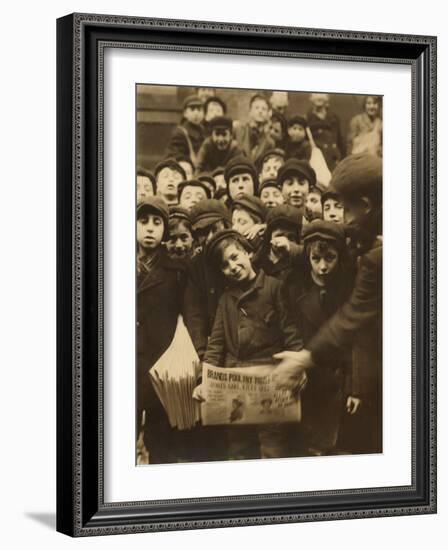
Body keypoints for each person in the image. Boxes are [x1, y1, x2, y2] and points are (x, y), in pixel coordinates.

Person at [274, 153, 383, 454]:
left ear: (365, 205)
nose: (344, 220)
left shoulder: (378, 256)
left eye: (345, 209)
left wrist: (303, 358)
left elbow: (353, 315)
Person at [194, 229, 303, 460]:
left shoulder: (274, 287)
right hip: (234, 387)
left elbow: (291, 332)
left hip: (270, 382)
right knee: (238, 448)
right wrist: (204, 381)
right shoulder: (226, 299)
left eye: (235, 257)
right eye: (224, 265)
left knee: (273, 447)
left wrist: (297, 366)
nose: (232, 267)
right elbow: (215, 346)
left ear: (248, 252)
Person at [284, 220, 357, 455]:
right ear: (307, 257)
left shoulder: (350, 291)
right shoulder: (294, 289)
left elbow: (356, 343)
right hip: (306, 379)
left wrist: (354, 385)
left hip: (338, 379)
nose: (323, 267)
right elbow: (289, 330)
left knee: (332, 444)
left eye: (330, 259)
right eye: (316, 259)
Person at [136, 197, 188, 463]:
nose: (149, 228)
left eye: (157, 222)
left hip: (161, 368)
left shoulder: (175, 271)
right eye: (143, 221)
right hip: (127, 366)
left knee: (161, 446)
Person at [253, 204, 302, 281]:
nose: (284, 241)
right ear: (269, 237)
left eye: (291, 237)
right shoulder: (257, 262)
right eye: (279, 235)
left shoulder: (301, 263)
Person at [307, 93, 345, 171]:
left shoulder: (334, 118)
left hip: (334, 160)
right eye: (316, 93)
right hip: (318, 160)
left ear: (327, 97)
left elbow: (340, 141)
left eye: (322, 94)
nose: (319, 96)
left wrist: (343, 159)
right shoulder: (308, 119)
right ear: (310, 97)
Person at [233, 94, 275, 163]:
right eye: (257, 108)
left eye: (264, 109)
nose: (260, 111)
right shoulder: (238, 130)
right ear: (250, 112)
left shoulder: (270, 142)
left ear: (268, 114)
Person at [165, 95, 205, 166]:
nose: (196, 113)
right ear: (185, 113)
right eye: (192, 110)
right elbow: (175, 157)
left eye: (199, 110)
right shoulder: (180, 133)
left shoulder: (204, 131)